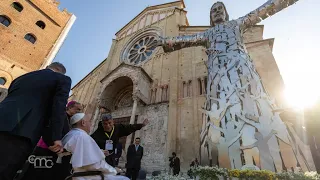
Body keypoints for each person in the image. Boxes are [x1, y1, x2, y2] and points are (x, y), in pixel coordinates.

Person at [0, 62, 71, 180]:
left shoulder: (22, 78)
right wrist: (56, 138)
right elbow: (58, 108)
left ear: (48, 67)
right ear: (61, 72)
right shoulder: (62, 79)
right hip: (21, 131)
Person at [22, 101, 83, 180]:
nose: (78, 112)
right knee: (34, 173)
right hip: (44, 149)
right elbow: (48, 130)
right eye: (77, 109)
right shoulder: (60, 116)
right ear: (70, 107)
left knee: (43, 175)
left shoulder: (70, 120)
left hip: (54, 152)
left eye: (80, 110)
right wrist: (51, 145)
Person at [62, 113, 129, 180]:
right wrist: (113, 170)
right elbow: (95, 165)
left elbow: (81, 154)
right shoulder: (82, 137)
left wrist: (99, 152)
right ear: (83, 123)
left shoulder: (70, 135)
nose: (90, 124)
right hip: (86, 176)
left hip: (77, 174)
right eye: (89, 122)